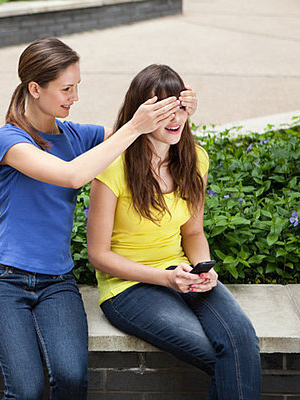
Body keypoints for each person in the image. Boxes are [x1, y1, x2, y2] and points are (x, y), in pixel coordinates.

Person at [0, 38, 197, 399]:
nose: (74, 97)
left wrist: (181, 112)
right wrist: (132, 128)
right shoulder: (10, 140)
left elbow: (144, 139)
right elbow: (73, 175)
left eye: (76, 87)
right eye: (66, 88)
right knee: (26, 389)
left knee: (73, 378)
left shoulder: (78, 135)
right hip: (4, 280)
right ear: (35, 88)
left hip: (57, 283)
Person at [86, 64, 261, 399]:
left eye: (179, 107)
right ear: (141, 113)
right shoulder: (112, 165)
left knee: (241, 340)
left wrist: (205, 270)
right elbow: (98, 255)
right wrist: (166, 278)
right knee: (221, 357)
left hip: (182, 272)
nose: (175, 118)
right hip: (128, 287)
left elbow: (193, 233)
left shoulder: (195, 159)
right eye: (163, 109)